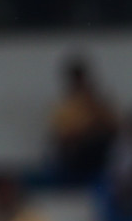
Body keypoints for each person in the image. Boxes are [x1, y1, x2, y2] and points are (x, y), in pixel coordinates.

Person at [49, 54, 117, 184]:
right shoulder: (63, 107)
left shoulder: (99, 103)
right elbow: (63, 138)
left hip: (99, 153)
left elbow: (113, 127)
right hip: (77, 155)